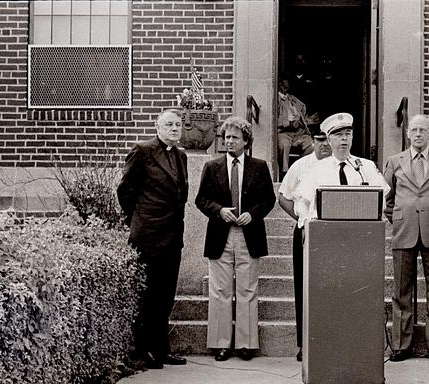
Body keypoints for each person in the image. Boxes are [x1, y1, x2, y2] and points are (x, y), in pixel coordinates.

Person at [195, 116, 276, 361]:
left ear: (246, 141)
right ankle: (221, 344)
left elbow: (268, 200)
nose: (229, 141)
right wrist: (219, 210)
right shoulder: (212, 167)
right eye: (226, 137)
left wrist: (253, 214)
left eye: (235, 138)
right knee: (220, 290)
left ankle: (245, 344)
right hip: (221, 234)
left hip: (247, 235)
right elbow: (201, 200)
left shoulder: (259, 167)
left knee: (247, 290)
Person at [117, 108, 189, 369]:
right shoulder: (143, 150)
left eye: (178, 125)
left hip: (172, 236)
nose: (174, 129)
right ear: (158, 127)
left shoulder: (181, 157)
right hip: (148, 235)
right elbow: (125, 191)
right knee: (148, 293)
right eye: (169, 124)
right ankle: (143, 349)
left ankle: (162, 350)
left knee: (166, 295)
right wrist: (137, 220)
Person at [383, 114, 429, 364]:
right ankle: (401, 345)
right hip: (404, 231)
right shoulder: (395, 161)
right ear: (407, 134)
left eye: (422, 130)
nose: (417, 135)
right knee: (401, 290)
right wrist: (401, 219)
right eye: (414, 130)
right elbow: (388, 199)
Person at [278, 131, 333, 362]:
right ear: (313, 141)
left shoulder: (346, 166)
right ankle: (304, 344)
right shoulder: (300, 166)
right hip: (306, 232)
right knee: (304, 288)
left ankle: (331, 342)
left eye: (328, 139)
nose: (324, 145)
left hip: (335, 236)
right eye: (319, 140)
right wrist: (302, 220)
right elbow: (283, 197)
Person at [293, 112, 390, 227]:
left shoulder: (366, 167)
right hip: (326, 230)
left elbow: (382, 199)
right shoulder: (316, 170)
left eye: (348, 134)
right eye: (339, 134)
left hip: (360, 229)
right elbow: (302, 203)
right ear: (329, 140)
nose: (344, 138)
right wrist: (307, 223)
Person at [277, 79, 313, 179]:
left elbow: (303, 113)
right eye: (283, 83)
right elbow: (272, 119)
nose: (285, 85)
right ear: (279, 84)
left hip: (298, 133)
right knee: (283, 145)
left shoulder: (292, 99)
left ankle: (298, 169)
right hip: (283, 132)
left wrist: (305, 121)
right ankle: (284, 174)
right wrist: (288, 123)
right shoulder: (274, 99)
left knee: (312, 145)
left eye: (287, 83)